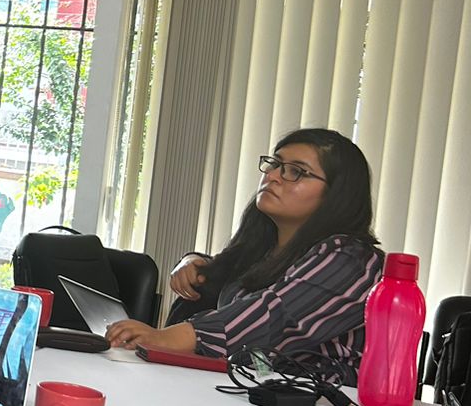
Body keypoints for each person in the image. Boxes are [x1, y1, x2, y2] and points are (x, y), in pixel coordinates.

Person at [105, 128, 383, 383]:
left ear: (337, 194)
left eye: (295, 171)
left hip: (320, 405)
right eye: (274, 164)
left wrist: (165, 338)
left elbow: (273, 314)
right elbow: (231, 272)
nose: (273, 176)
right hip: (251, 388)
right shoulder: (266, 248)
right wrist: (192, 262)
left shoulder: (353, 260)